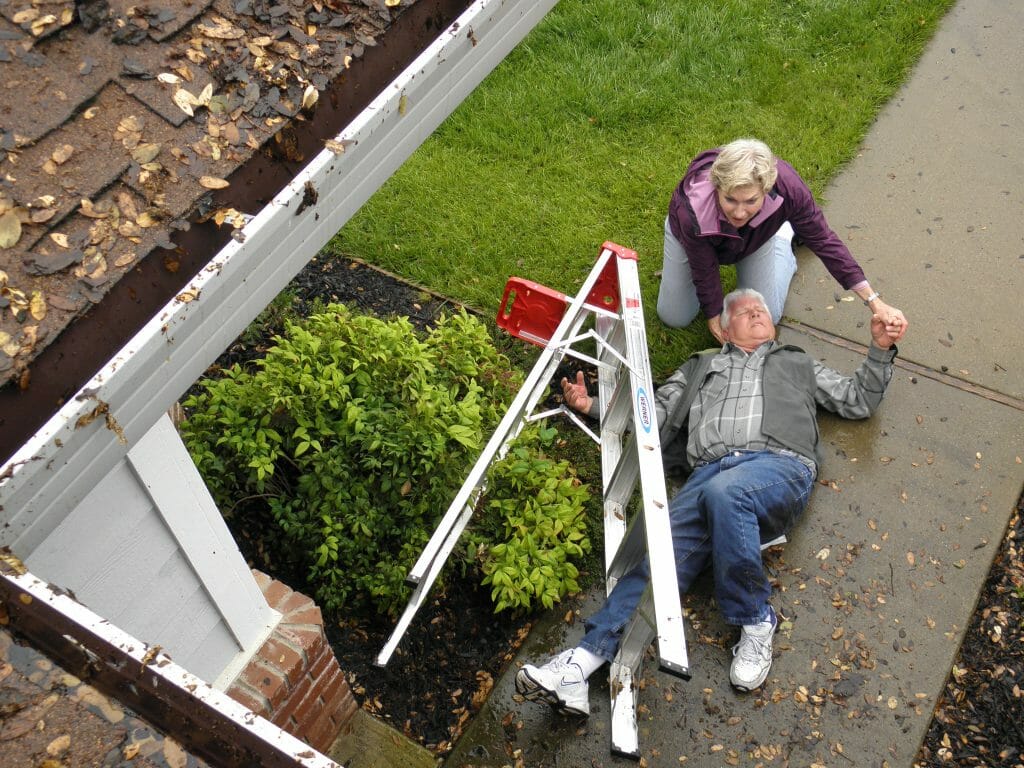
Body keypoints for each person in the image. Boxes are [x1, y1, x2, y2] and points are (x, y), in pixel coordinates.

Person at [515, 287, 905, 716]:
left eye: (762, 310)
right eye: (745, 312)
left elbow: (856, 400)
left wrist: (880, 349)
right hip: (708, 473)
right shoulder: (699, 367)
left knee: (729, 493)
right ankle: (580, 664)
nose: (758, 314)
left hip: (778, 466)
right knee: (659, 557)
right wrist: (595, 406)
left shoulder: (796, 361)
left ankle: (755, 619)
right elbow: (653, 415)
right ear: (722, 328)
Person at [657, 137, 908, 344]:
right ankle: (779, 229)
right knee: (675, 316)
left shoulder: (790, 189)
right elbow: (704, 268)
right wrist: (714, 316)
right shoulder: (691, 209)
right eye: (731, 200)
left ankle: (783, 237)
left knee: (771, 314)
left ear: (766, 189)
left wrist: (874, 301)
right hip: (693, 239)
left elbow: (824, 241)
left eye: (751, 201)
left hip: (757, 236)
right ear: (717, 187)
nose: (740, 212)